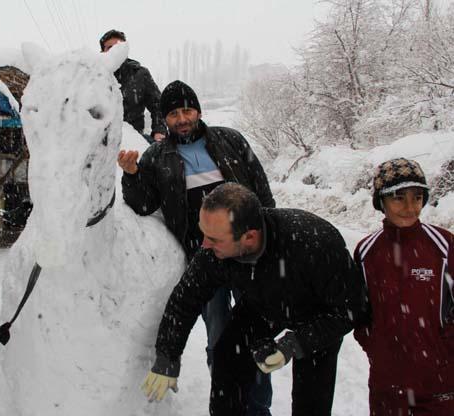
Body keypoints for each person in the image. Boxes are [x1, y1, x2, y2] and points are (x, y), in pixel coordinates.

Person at [141, 183, 369, 416]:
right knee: (227, 358)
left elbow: (353, 308)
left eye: (214, 238)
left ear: (249, 237)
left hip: (318, 314)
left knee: (312, 400)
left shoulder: (314, 242)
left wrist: (296, 343)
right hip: (263, 305)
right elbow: (186, 298)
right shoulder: (214, 253)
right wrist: (167, 356)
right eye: (203, 233)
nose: (204, 244)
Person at [118, 80, 275, 414]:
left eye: (187, 110)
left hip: (249, 255)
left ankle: (259, 408)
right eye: (173, 113)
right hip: (206, 258)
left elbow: (261, 190)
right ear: (166, 118)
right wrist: (132, 174)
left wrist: (270, 239)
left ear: (199, 111)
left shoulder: (230, 141)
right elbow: (144, 205)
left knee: (258, 333)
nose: (182, 118)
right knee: (219, 333)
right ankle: (228, 400)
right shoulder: (157, 156)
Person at [353, 158, 454, 415]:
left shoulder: (443, 246)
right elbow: (359, 311)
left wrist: (444, 350)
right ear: (381, 202)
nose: (410, 207)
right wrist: (375, 346)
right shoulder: (366, 251)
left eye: (417, 197)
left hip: (439, 385)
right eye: (399, 197)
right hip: (387, 386)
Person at [99, 29, 166, 143]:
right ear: (102, 52)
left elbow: (158, 105)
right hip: (101, 145)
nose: (114, 51)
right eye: (109, 48)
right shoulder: (94, 76)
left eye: (118, 47)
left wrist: (159, 131)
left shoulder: (140, 74)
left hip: (133, 139)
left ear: (125, 50)